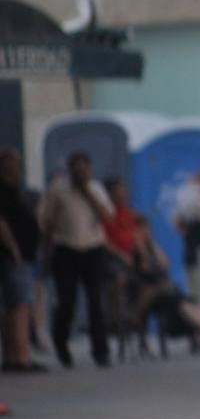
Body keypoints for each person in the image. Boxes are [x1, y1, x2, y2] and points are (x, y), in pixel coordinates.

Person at [40, 152, 113, 368]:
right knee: (67, 300)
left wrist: (87, 192)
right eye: (76, 169)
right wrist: (46, 252)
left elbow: (107, 216)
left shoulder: (97, 189)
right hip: (66, 249)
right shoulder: (58, 190)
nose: (81, 173)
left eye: (84, 169)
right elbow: (48, 222)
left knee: (96, 301)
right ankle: (61, 342)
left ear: (89, 170)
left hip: (93, 248)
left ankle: (101, 351)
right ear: (70, 170)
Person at [129, 214, 200, 351]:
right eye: (142, 229)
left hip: (166, 293)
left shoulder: (152, 247)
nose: (146, 231)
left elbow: (165, 264)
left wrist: (152, 244)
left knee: (190, 302)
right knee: (182, 304)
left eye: (147, 228)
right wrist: (140, 245)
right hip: (150, 296)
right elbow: (145, 268)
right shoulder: (135, 250)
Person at [0, 148, 44, 373]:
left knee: (15, 306)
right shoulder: (4, 192)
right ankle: (20, 357)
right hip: (15, 257)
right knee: (20, 307)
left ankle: (13, 355)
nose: (16, 169)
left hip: (22, 254)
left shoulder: (15, 191)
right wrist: (14, 248)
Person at [101, 177, 137, 359]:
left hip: (131, 258)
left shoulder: (128, 213)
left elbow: (135, 237)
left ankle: (133, 316)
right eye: (119, 191)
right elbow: (104, 240)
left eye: (124, 191)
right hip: (113, 259)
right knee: (118, 279)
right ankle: (115, 320)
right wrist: (122, 255)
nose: (123, 194)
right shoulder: (106, 213)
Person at [171, 171, 200, 297]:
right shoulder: (199, 204)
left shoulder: (185, 206)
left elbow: (176, 223)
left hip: (192, 253)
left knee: (194, 291)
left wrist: (187, 234)